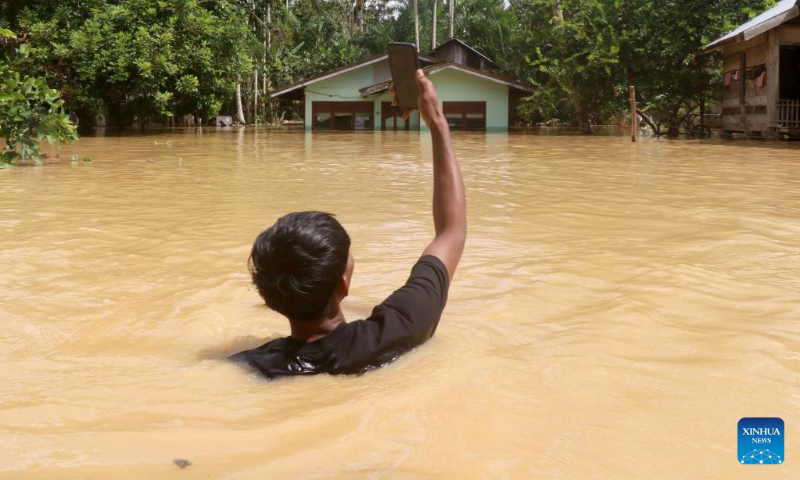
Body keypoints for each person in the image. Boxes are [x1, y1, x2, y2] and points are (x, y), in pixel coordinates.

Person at [230, 69, 467, 379]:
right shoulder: (395, 331)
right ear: (343, 283)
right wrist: (437, 122)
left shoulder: (253, 363)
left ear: (268, 298)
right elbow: (452, 231)